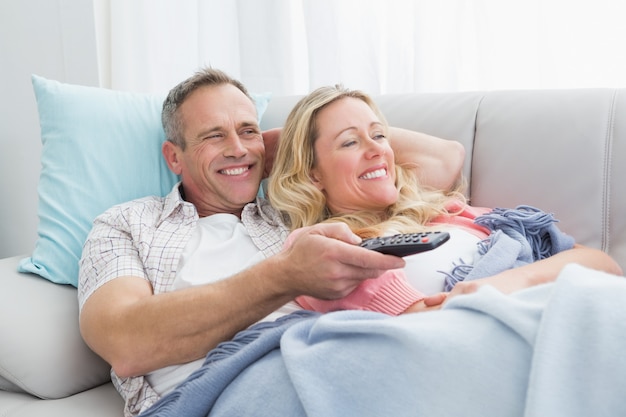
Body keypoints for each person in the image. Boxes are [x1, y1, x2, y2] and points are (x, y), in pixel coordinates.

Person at [77, 68, 465, 416]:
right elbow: (125, 342)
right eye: (214, 135)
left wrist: (294, 140)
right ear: (174, 158)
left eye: (248, 130)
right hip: (220, 392)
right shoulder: (126, 223)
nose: (238, 148)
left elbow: (445, 162)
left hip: (327, 358)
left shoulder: (296, 206)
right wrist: (283, 276)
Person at [267, 85, 623, 315]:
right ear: (312, 172)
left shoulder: (453, 213)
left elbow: (599, 262)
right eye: (349, 142)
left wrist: (507, 284)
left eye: (380, 135)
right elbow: (424, 321)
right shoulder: (319, 248)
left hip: (565, 306)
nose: (378, 149)